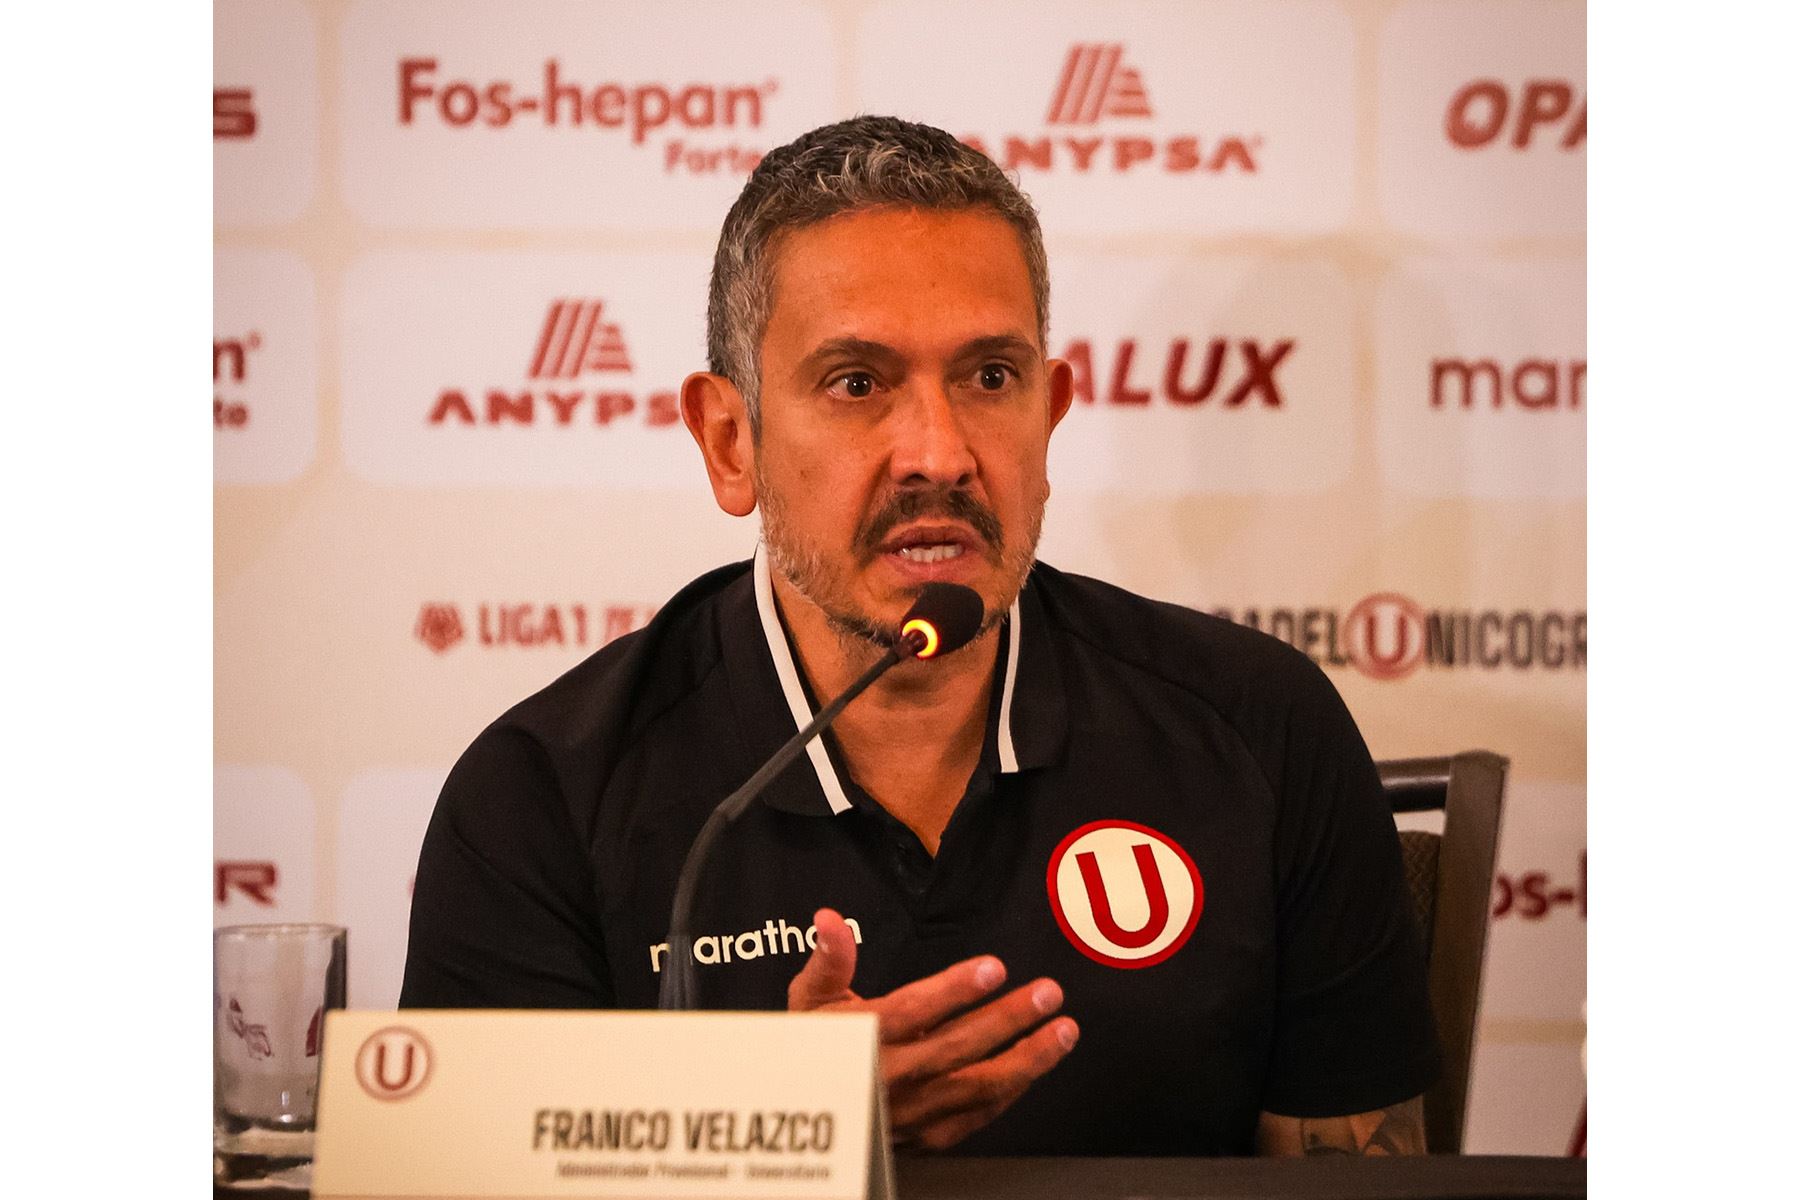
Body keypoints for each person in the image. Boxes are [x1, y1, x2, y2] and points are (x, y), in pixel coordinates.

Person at [401, 115, 1438, 1157]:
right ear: (731, 441)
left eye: (991, 378)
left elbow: (1361, 1181)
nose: (938, 454)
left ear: (1050, 417)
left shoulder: (1261, 731)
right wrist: (780, 1143)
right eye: (858, 383)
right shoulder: (542, 796)